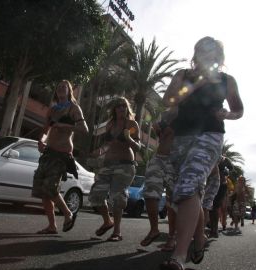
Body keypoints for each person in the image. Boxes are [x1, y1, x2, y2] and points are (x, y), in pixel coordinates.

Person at [160, 36, 244, 270]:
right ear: (196, 54)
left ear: (219, 56)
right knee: (187, 191)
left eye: (212, 51)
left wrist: (228, 114)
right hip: (181, 137)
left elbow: (239, 110)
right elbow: (168, 101)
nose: (208, 55)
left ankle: (178, 256)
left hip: (210, 135)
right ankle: (199, 237)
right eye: (203, 51)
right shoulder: (182, 75)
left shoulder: (227, 81)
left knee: (189, 184)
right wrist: (195, 84)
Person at [32, 80, 88, 234]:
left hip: (62, 153)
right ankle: (52, 226)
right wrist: (41, 141)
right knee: (42, 190)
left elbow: (84, 129)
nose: (61, 89)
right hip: (48, 152)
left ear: (70, 91)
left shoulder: (74, 108)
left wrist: (65, 126)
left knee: (50, 187)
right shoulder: (53, 109)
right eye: (59, 87)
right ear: (56, 92)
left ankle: (68, 213)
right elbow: (46, 130)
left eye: (65, 87)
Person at [88, 97, 141, 241]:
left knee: (117, 197)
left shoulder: (131, 124)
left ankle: (117, 232)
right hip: (107, 164)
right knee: (96, 195)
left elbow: (138, 147)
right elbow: (108, 144)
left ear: (127, 108)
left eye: (124, 106)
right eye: (118, 106)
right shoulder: (110, 124)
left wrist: (129, 139)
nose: (121, 108)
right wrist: (100, 151)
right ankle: (107, 221)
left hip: (125, 165)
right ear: (114, 109)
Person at [140, 111, 177, 249]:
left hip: (176, 161)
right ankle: (154, 229)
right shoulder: (166, 114)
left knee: (172, 200)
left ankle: (172, 237)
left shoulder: (190, 111)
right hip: (159, 158)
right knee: (150, 193)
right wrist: (158, 128)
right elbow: (161, 135)